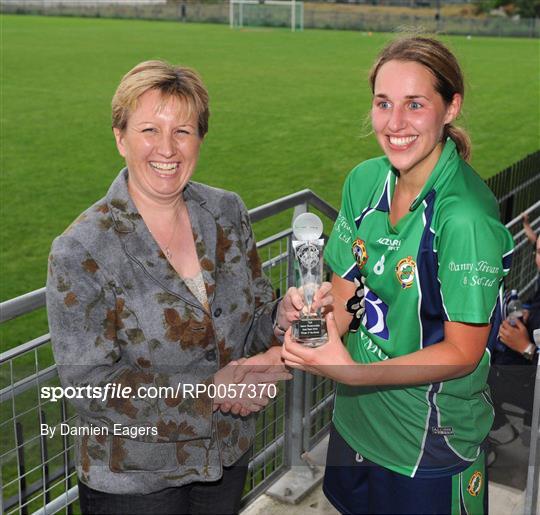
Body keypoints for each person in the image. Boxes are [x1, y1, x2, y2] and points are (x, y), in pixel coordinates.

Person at [46, 60, 330, 514]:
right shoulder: (82, 249)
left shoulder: (226, 212)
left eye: (183, 131)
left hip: (224, 458)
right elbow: (89, 386)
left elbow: (250, 321)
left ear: (199, 139)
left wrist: (280, 319)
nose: (168, 148)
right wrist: (212, 391)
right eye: (149, 131)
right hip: (134, 481)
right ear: (120, 138)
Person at [281, 36, 514, 514]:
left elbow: (464, 352)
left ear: (451, 108)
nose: (395, 124)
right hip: (354, 421)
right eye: (383, 103)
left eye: (415, 104)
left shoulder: (465, 217)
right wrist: (311, 321)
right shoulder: (364, 181)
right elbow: (346, 299)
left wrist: (353, 371)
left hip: (427, 444)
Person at [488, 234, 539, 448]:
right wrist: (525, 313)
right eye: (538, 252)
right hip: (523, 371)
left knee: (473, 377)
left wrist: (526, 348)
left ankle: (497, 429)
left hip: (531, 384)